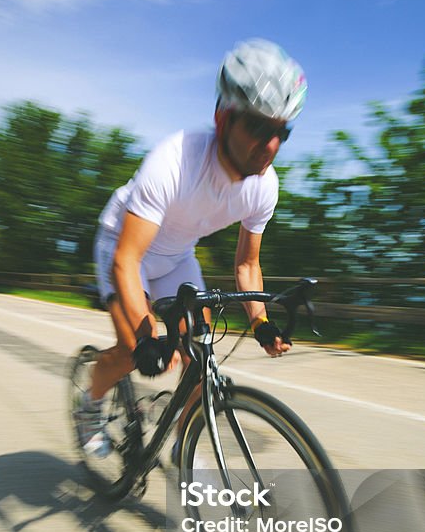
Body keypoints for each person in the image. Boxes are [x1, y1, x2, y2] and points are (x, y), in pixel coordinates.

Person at [76, 37, 307, 456]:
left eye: (281, 132)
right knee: (135, 352)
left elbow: (247, 265)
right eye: (258, 127)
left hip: (177, 257)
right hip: (124, 249)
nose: (270, 145)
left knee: (200, 357)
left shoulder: (264, 188)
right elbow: (127, 260)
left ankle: (187, 455)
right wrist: (147, 337)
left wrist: (261, 323)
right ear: (223, 120)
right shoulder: (173, 162)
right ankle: (89, 403)